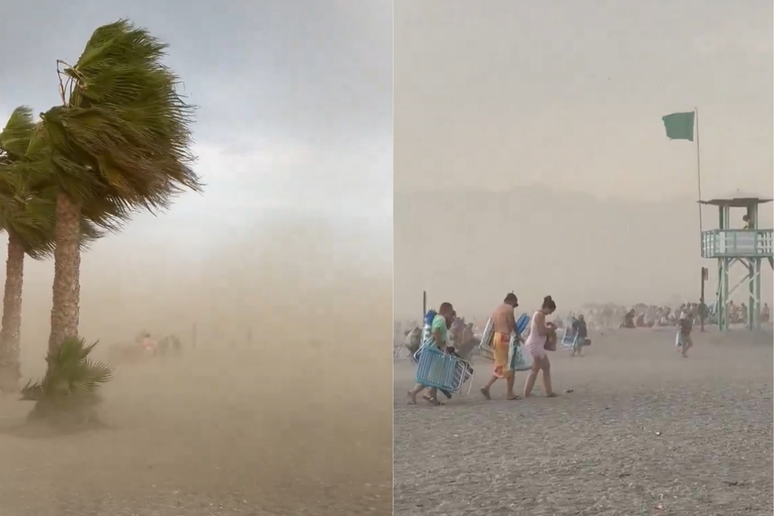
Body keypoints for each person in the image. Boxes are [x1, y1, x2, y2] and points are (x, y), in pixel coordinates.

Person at [408, 302, 455, 405]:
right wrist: (441, 345)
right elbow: (436, 331)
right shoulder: (441, 319)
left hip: (434, 350)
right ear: (447, 310)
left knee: (433, 375)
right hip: (435, 350)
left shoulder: (439, 319)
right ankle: (428, 394)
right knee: (435, 375)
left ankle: (422, 394)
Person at [480, 293, 520, 401]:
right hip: (504, 337)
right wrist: (518, 335)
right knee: (510, 365)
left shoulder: (497, 309)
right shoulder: (509, 308)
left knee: (500, 365)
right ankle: (509, 393)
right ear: (512, 301)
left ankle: (487, 387)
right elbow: (512, 323)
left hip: (496, 337)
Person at [523, 296, 558, 398]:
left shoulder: (539, 315)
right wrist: (552, 329)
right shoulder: (539, 315)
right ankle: (530, 393)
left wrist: (548, 326)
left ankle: (545, 391)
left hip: (535, 345)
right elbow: (541, 331)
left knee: (542, 367)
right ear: (547, 307)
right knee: (537, 369)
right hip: (535, 346)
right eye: (550, 311)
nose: (550, 313)